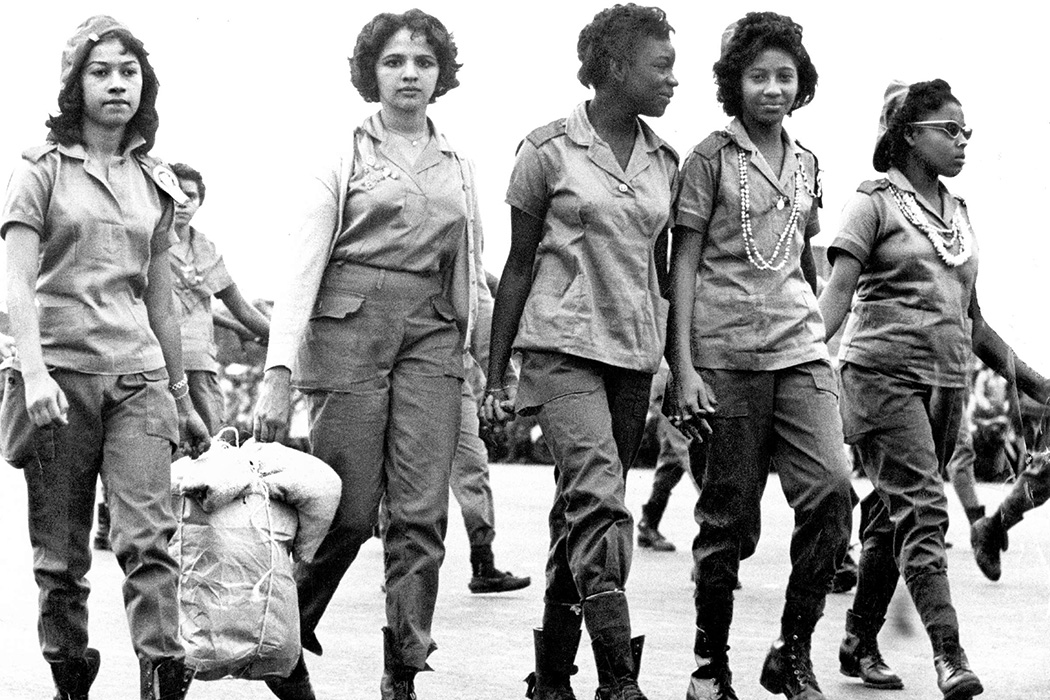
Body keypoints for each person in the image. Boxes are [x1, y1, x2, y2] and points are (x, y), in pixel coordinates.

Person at [252, 10, 485, 700]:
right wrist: (277, 374)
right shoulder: (341, 152)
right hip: (349, 329)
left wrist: (478, 359)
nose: (409, 72)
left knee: (421, 513)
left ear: (440, 74)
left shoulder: (460, 165)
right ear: (371, 73)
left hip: (432, 337)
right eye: (393, 61)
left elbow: (470, 269)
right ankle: (283, 636)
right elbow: (301, 267)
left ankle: (403, 668)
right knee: (347, 510)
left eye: (422, 61)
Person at [0, 15, 209, 700]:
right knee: (61, 560)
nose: (117, 84)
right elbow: (15, 284)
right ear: (74, 84)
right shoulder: (39, 172)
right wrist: (31, 372)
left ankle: (162, 673)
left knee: (149, 539)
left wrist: (181, 396)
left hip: (138, 380)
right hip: (56, 378)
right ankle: (70, 670)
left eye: (128, 71)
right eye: (101, 71)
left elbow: (159, 297)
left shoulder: (156, 181)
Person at [819, 78, 1050, 700]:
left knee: (892, 519)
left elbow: (971, 319)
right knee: (923, 508)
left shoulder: (960, 213)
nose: (963, 141)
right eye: (949, 130)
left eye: (966, 131)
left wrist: (1032, 380)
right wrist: (804, 367)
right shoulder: (871, 203)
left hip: (946, 382)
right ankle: (950, 653)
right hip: (878, 377)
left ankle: (859, 639)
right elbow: (834, 302)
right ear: (908, 135)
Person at [482, 6, 679, 699]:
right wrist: (495, 373)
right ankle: (618, 679)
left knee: (584, 507)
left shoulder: (666, 161)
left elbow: (663, 271)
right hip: (559, 349)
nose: (673, 80)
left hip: (632, 354)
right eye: (661, 65)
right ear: (616, 67)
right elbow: (517, 264)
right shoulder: (545, 151)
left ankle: (551, 677)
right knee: (600, 502)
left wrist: (677, 368)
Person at [666, 12, 854, 700]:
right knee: (728, 523)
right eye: (758, 76)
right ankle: (710, 667)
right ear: (734, 84)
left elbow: (802, 259)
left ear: (801, 83)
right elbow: (682, 265)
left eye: (785, 76)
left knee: (834, 492)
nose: (773, 88)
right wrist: (682, 368)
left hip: (800, 355)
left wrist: (820, 338)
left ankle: (793, 651)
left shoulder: (807, 164)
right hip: (725, 361)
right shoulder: (708, 158)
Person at [168, 162, 271, 435]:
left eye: (189, 195)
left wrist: (281, 341)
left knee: (208, 451)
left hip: (199, 366)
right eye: (173, 191)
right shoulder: (146, 244)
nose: (181, 201)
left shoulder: (206, 251)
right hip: (154, 369)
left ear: (200, 202)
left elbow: (241, 309)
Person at [455, 272, 530, 594]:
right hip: (418, 373)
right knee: (404, 478)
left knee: (473, 470)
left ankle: (483, 564)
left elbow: (484, 326)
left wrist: (501, 381)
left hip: (457, 383)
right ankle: (398, 570)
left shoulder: (476, 276)